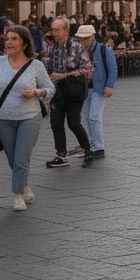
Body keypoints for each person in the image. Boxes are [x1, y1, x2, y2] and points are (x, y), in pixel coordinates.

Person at [0, 25, 52, 210]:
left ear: (24, 43)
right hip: (3, 119)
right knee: (13, 158)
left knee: (21, 158)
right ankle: (24, 185)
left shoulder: (36, 65)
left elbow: (50, 89)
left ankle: (18, 195)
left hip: (29, 117)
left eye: (14, 39)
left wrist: (36, 92)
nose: (9, 42)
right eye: (7, 39)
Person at [43, 18, 94, 168]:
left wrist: (64, 75)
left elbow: (87, 68)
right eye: (53, 30)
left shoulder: (77, 48)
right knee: (56, 123)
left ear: (66, 31)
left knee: (73, 123)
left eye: (58, 30)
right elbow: (45, 70)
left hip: (74, 91)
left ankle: (88, 150)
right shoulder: (50, 49)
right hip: (57, 91)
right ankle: (61, 155)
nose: (55, 33)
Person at [76, 25, 116, 160]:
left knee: (94, 116)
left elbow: (112, 68)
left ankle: (99, 147)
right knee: (86, 117)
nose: (83, 41)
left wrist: (109, 86)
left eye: (85, 38)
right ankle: (90, 145)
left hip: (98, 87)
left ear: (92, 36)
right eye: (80, 39)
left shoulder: (104, 49)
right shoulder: (78, 50)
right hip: (84, 88)